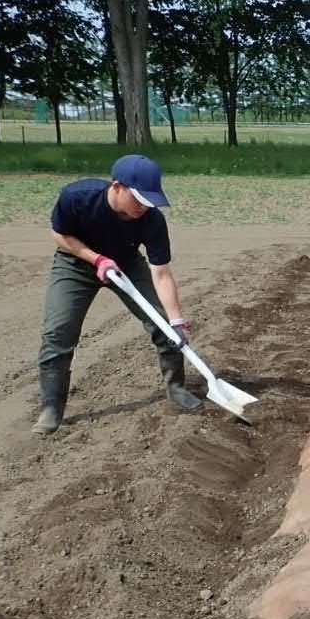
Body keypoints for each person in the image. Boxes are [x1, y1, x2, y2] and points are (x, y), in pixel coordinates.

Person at [32, 154, 203, 435]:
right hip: (76, 264)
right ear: (117, 187)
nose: (143, 207)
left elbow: (161, 273)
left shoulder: (152, 220)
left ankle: (176, 388)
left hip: (126, 264)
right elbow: (60, 234)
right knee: (58, 333)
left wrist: (176, 321)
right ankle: (51, 408)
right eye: (138, 199)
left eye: (149, 201)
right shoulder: (77, 197)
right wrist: (97, 259)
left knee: (163, 324)